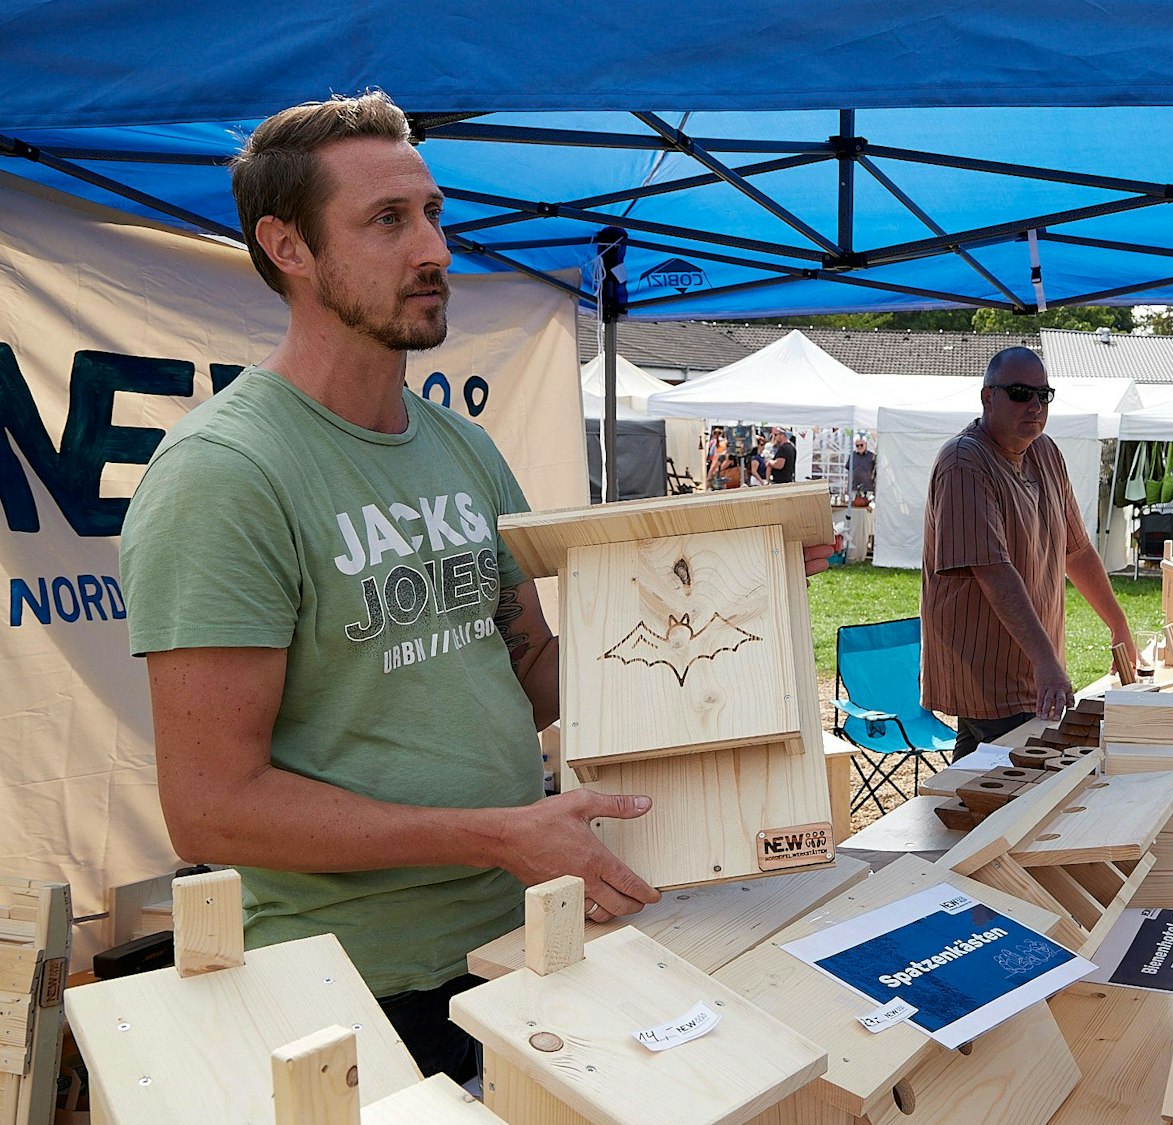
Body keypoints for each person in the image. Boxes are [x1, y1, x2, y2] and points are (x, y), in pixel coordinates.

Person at [117, 93, 828, 1080]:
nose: (435, 252)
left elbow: (534, 667)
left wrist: (732, 601)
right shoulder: (223, 475)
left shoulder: (459, 448)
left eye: (433, 215)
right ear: (286, 247)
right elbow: (211, 809)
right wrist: (498, 837)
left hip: (524, 942)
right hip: (356, 987)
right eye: (385, 221)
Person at [921, 347, 1137, 759]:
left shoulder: (1045, 452)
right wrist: (1047, 661)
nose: (1035, 405)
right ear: (988, 397)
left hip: (1030, 670)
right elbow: (992, 571)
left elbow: (1077, 551)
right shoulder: (964, 462)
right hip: (986, 669)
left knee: (980, 789)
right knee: (1011, 790)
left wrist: (1118, 624)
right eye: (1020, 393)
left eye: (1044, 394)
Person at [849, 434, 878, 505]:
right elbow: (849, 471)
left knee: (867, 509)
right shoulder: (852, 455)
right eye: (857, 445)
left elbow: (876, 472)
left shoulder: (872, 456)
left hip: (868, 488)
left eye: (861, 445)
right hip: (854, 487)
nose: (859, 447)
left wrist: (875, 489)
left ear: (865, 444)